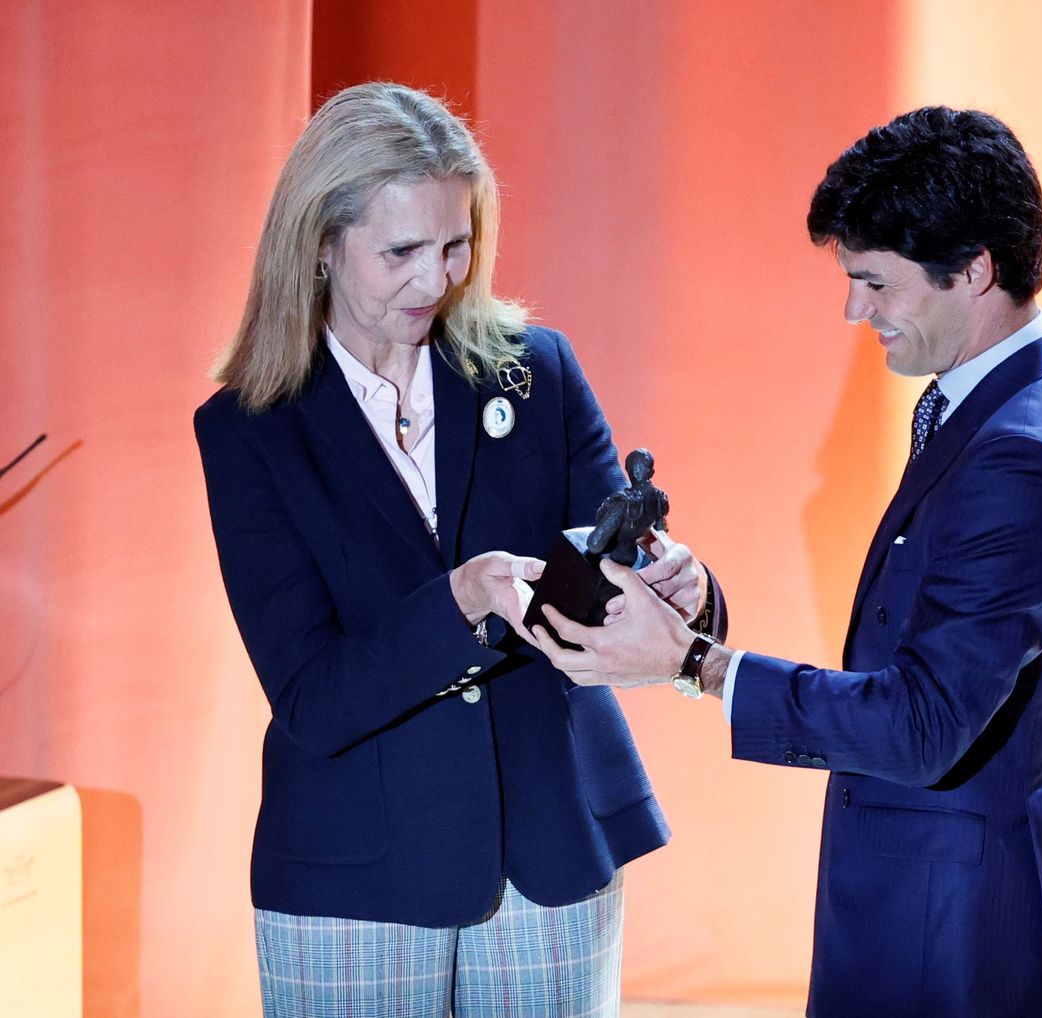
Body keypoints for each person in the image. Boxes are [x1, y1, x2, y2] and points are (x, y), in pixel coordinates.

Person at [533, 106, 1042, 1017]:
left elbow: (924, 723)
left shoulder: (1023, 454)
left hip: (960, 947)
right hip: (916, 918)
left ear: (974, 272)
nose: (854, 311)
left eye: (875, 284)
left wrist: (694, 664)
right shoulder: (985, 418)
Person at [194, 82, 724, 1016]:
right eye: (401, 250)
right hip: (353, 876)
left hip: (549, 853)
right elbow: (313, 697)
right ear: (321, 244)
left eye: (455, 243)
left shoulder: (538, 369)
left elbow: (605, 567)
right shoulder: (250, 430)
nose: (436, 279)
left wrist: (679, 584)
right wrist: (463, 597)